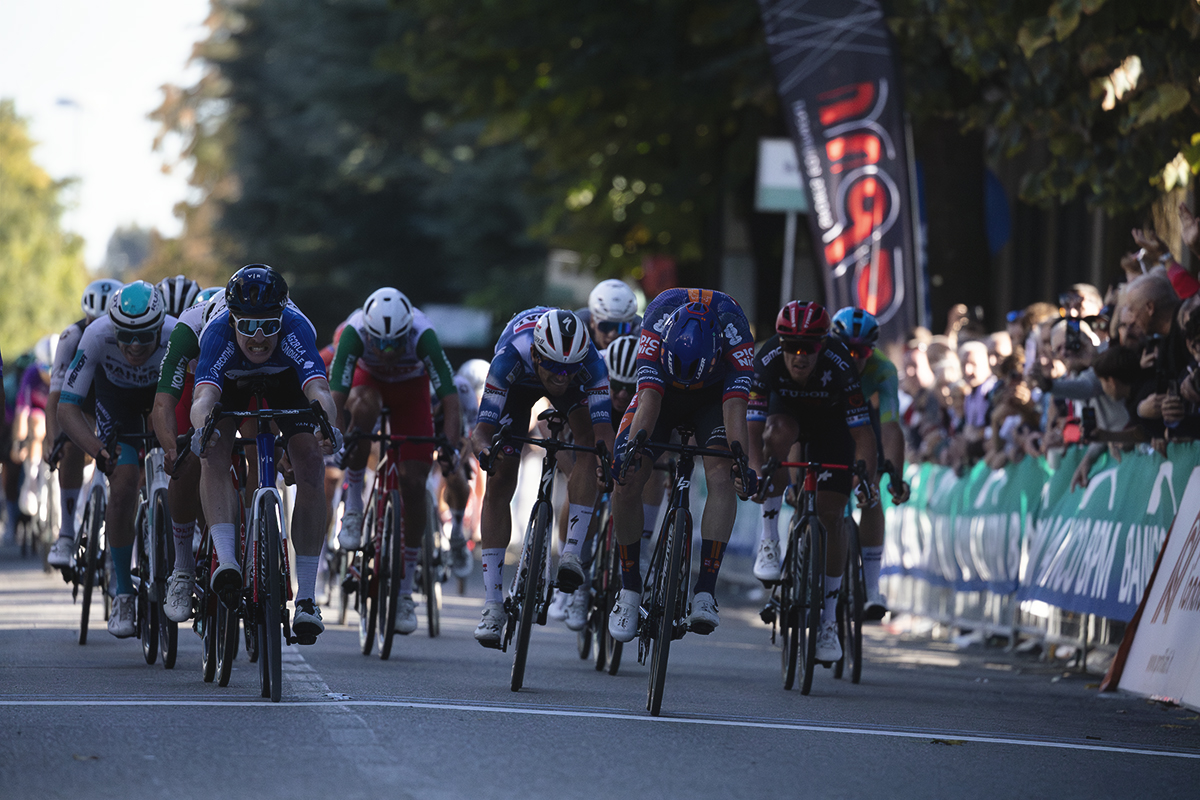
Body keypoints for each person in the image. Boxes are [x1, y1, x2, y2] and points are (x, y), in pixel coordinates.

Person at [191, 265, 340, 644]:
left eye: (269, 326)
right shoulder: (218, 332)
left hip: (286, 383)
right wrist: (203, 425)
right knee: (214, 449)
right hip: (232, 384)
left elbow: (319, 391)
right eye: (248, 327)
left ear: (282, 318)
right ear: (233, 319)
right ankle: (226, 562)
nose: (258, 338)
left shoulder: (296, 327)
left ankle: (306, 597)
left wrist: (326, 424)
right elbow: (204, 398)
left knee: (309, 461)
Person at [607, 289, 756, 643]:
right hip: (661, 393)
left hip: (713, 397)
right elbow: (649, 400)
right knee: (627, 478)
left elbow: (735, 412)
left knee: (722, 471)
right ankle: (629, 590)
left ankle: (705, 591)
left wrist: (742, 465)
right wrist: (631, 452)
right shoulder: (656, 320)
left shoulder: (736, 331)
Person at [468, 308, 614, 648]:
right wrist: (486, 452)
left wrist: (606, 459)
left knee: (590, 445)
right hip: (518, 388)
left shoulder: (590, 364)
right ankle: (492, 606)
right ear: (536, 354)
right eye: (554, 367)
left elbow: (604, 432)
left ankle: (572, 554)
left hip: (575, 393)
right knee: (501, 479)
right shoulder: (509, 358)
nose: (561, 376)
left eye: (570, 369)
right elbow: (482, 432)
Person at [746, 301, 877, 663]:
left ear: (823, 345)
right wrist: (757, 471)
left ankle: (829, 621)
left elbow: (863, 432)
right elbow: (753, 426)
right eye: (791, 347)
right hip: (786, 417)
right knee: (776, 433)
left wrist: (865, 476)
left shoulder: (840, 363)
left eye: (809, 348)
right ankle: (769, 540)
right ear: (780, 344)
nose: (799, 356)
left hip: (832, 425)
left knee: (832, 515)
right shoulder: (768, 357)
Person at [330, 287, 461, 635]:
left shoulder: (423, 333)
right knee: (360, 416)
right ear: (370, 334)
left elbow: (448, 395)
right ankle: (355, 505)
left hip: (410, 390)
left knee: (415, 483)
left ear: (407, 332)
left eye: (395, 344)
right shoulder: (356, 331)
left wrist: (448, 442)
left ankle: (405, 593)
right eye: (381, 345)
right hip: (368, 385)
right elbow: (336, 396)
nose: (387, 352)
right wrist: (337, 436)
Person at [57, 281, 176, 638]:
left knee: (181, 470)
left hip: (162, 399)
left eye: (144, 336)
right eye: (126, 335)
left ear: (160, 327)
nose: (135, 345)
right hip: (118, 405)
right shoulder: (95, 335)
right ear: (113, 327)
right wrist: (96, 449)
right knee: (123, 484)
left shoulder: (175, 333)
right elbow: (67, 407)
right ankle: (123, 590)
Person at [827, 307, 910, 620]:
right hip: (823, 424)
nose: (855, 357)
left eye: (862, 351)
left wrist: (896, 475)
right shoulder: (822, 361)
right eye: (847, 350)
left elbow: (890, 427)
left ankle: (872, 587)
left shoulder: (883, 370)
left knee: (871, 492)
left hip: (862, 428)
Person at [150, 287, 224, 623]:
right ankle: (182, 569)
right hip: (193, 391)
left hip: (238, 385)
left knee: (256, 450)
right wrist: (170, 449)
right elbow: (163, 402)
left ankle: (253, 550)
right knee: (187, 458)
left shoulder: (244, 328)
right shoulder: (187, 329)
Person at [46, 279, 121, 568]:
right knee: (70, 446)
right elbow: (56, 400)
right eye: (92, 321)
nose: (98, 330)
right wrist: (54, 441)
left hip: (119, 394)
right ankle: (66, 532)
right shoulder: (71, 336)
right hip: (84, 397)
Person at [577, 278, 641, 349]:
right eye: (605, 326)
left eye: (621, 327)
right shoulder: (578, 330)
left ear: (631, 325)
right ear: (592, 321)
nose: (612, 334)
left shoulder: (640, 331)